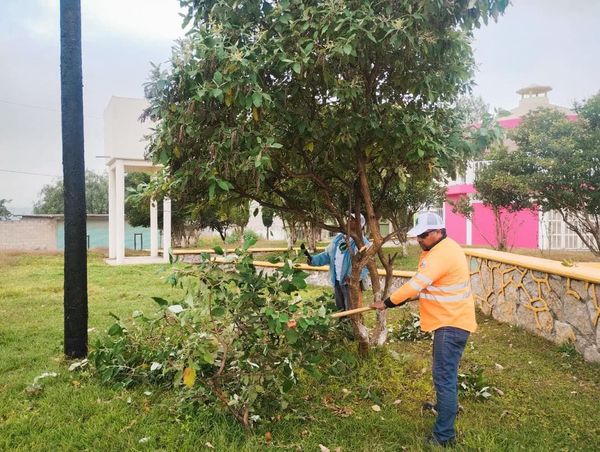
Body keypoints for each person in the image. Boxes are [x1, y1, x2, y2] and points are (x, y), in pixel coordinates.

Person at [371, 211, 476, 447]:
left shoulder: (441, 254)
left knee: (443, 377)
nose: (420, 239)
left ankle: (444, 436)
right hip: (453, 320)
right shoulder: (444, 248)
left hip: (451, 323)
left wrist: (388, 302)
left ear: (438, 232)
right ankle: (445, 408)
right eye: (418, 235)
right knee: (446, 373)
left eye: (424, 235)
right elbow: (431, 285)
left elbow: (416, 284)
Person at [304, 214, 370, 311]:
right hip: (338, 280)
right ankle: (342, 326)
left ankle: (352, 325)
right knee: (340, 308)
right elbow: (328, 255)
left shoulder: (362, 242)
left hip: (350, 283)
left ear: (360, 224)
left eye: (353, 219)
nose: (348, 220)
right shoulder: (339, 238)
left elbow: (366, 265)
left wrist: (354, 278)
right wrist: (313, 260)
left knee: (351, 310)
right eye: (348, 218)